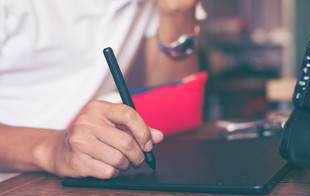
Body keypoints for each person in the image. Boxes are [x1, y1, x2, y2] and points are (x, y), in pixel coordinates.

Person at [0, 0, 203, 179]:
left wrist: (177, 13)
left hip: (93, 166)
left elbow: (171, 100)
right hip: (14, 179)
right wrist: (53, 149)